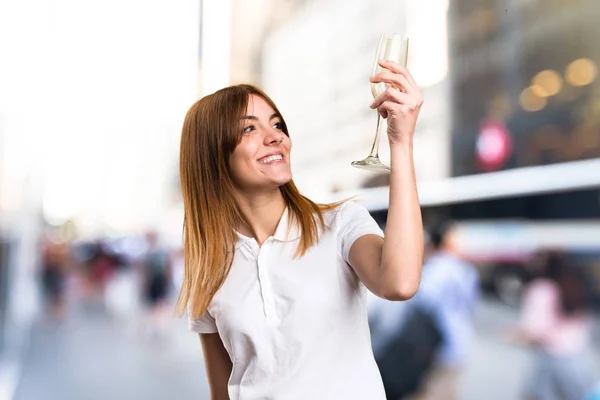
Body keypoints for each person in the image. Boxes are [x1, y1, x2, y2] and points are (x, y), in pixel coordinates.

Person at [176, 60, 425, 399]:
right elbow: (222, 393)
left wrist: (401, 142)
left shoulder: (340, 224)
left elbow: (399, 284)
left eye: (277, 124)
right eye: (249, 129)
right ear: (211, 155)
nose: (275, 136)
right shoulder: (209, 263)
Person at [509, 250, 596, 400]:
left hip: (551, 361)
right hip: (579, 360)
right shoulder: (575, 284)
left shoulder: (541, 289)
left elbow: (534, 331)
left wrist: (513, 334)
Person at [409, 221, 480, 400]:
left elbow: (421, 303)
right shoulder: (466, 270)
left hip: (438, 345)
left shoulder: (436, 269)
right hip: (460, 341)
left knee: (430, 393)